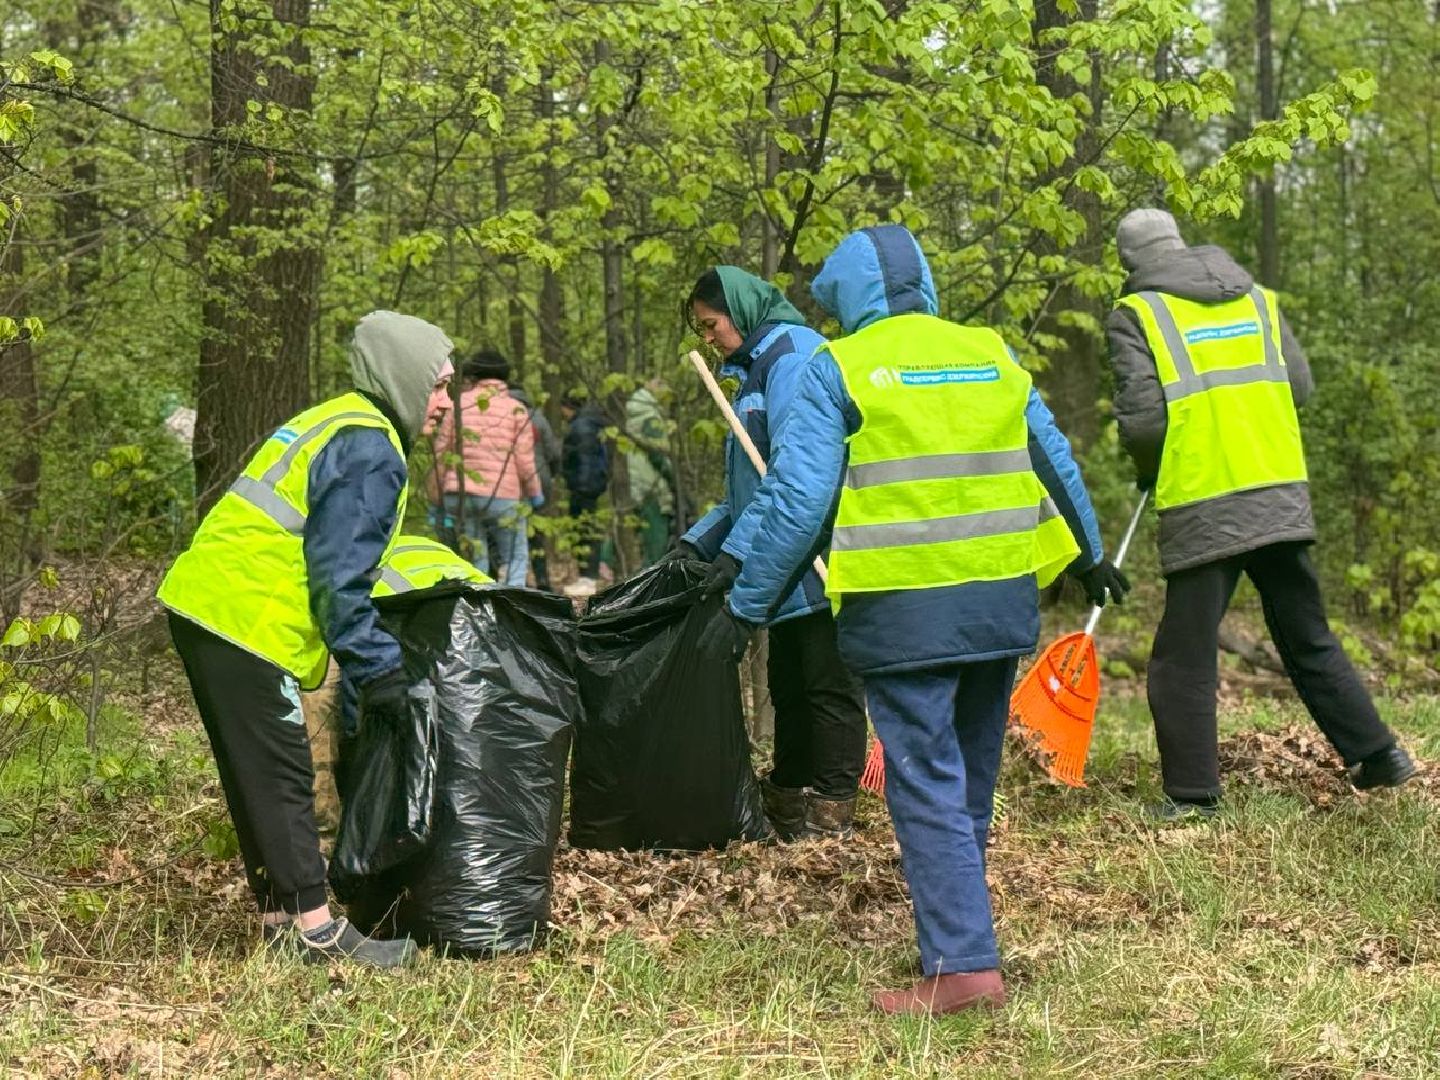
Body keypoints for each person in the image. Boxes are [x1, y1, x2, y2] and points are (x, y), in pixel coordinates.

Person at [695, 226, 1125, 1015]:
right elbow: (1053, 457)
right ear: (922, 282)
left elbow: (798, 501)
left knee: (924, 779)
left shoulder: (842, 367)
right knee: (967, 778)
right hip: (997, 602)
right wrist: (1091, 556)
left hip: (902, 609)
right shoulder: (990, 353)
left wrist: (747, 607)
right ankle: (958, 938)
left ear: (850, 297)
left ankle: (963, 966)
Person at [157, 309, 454, 967]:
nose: (444, 405)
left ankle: (280, 925)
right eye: (437, 386)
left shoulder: (339, 418)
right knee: (282, 772)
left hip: (207, 605)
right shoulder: (371, 447)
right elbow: (339, 578)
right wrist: (383, 676)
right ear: (403, 377)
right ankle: (318, 934)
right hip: (243, 615)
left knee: (254, 773)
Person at [1105, 209, 1416, 819]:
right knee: (1307, 636)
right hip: (1277, 490)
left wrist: (1151, 463)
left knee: (1181, 655)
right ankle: (1378, 754)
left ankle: (1192, 795)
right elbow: (1298, 387)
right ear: (1178, 242)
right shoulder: (1259, 300)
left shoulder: (1137, 314)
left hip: (1206, 499)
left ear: (1129, 262)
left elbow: (1143, 419)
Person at [673, 265, 868, 839]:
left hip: (815, 551)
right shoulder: (757, 369)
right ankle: (789, 792)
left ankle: (833, 807)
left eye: (712, 325)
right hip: (778, 555)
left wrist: (736, 557)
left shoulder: (795, 359)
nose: (708, 339)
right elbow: (748, 491)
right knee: (789, 682)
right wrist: (697, 544)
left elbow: (794, 481)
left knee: (826, 682)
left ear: (742, 310)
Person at [428, 350, 543, 587]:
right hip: (502, 496)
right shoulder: (516, 409)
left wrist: (435, 498)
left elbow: (441, 454)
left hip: (458, 495)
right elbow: (524, 461)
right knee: (514, 556)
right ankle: (514, 613)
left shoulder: (457, 406)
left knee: (474, 559)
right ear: (504, 377)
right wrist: (534, 493)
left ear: (474, 376)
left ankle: (477, 612)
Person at [509, 383, 562, 590]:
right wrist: (552, 475)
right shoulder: (538, 418)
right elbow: (553, 453)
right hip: (541, 480)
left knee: (511, 533)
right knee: (537, 534)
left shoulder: (503, 415)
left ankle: (515, 582)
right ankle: (543, 581)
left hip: (512, 484)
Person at [623, 379, 677, 567]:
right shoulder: (650, 417)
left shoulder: (632, 413)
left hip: (635, 481)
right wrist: (674, 482)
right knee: (656, 544)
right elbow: (658, 454)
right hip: (651, 485)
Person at [560, 393, 610, 591]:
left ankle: (588, 577)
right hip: (592, 485)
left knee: (585, 530)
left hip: (584, 487)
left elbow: (583, 461)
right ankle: (587, 575)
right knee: (587, 529)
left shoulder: (581, 427)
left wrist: (579, 485)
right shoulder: (590, 424)